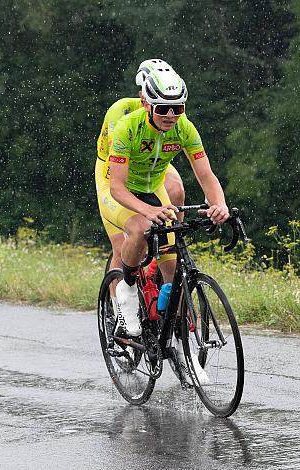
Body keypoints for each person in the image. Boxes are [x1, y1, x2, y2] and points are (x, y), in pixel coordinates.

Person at [100, 62, 229, 340]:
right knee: (138, 229)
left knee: (172, 232)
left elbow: (206, 175)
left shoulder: (184, 128)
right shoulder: (125, 124)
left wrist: (219, 203)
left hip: (151, 178)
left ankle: (174, 315)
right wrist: (148, 210)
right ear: (147, 104)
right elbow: (117, 188)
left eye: (178, 109)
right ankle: (127, 290)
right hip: (116, 181)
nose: (171, 115)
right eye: (163, 109)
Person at [95, 58, 186, 274]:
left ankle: (172, 245)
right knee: (122, 247)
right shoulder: (122, 111)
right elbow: (122, 163)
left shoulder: (167, 111)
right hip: (118, 166)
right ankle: (120, 301)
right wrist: (144, 210)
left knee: (177, 188)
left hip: (151, 163)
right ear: (142, 93)